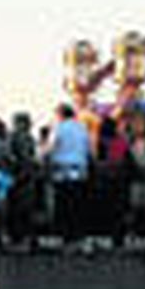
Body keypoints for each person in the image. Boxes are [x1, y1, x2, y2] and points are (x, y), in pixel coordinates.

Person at [44, 103, 91, 248]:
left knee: (63, 207)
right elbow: (87, 149)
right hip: (80, 172)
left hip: (62, 172)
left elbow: (49, 149)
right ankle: (78, 236)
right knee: (77, 207)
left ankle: (66, 237)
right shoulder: (82, 128)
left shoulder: (58, 128)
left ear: (60, 115)